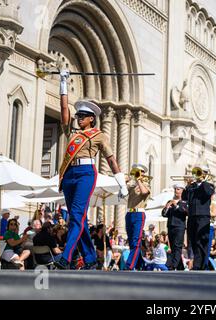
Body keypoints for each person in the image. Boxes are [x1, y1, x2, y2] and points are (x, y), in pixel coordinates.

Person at [54, 70, 128, 270]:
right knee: (79, 218)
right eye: (78, 115)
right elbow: (63, 110)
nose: (79, 118)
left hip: (86, 174)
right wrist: (63, 84)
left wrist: (121, 183)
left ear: (92, 119)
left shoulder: (100, 135)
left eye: (83, 116)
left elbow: (111, 160)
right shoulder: (72, 132)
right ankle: (89, 259)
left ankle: (66, 257)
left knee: (76, 216)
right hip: (69, 174)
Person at [182, 165, 215, 270]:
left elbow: (208, 192)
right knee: (193, 240)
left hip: (203, 216)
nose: (199, 175)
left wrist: (202, 181)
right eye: (199, 172)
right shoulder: (192, 186)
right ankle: (197, 263)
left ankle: (202, 264)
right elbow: (184, 197)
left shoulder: (208, 185)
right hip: (192, 216)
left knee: (202, 240)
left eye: (202, 172)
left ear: (206, 174)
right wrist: (187, 186)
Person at [125, 164, 151, 270]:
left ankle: (129, 265)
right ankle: (139, 264)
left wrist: (139, 181)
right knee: (131, 240)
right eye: (136, 171)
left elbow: (144, 192)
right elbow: (122, 192)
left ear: (143, 174)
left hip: (139, 214)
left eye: (140, 171)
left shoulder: (146, 185)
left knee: (136, 240)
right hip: (129, 213)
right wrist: (124, 181)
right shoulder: (131, 185)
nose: (138, 173)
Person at [162, 184, 188, 271]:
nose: (176, 190)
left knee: (177, 245)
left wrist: (176, 206)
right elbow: (164, 214)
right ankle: (180, 266)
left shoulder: (184, 202)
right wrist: (167, 207)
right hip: (171, 225)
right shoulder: (170, 201)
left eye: (178, 189)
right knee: (173, 246)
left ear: (182, 191)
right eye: (175, 189)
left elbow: (184, 212)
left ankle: (173, 264)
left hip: (179, 226)